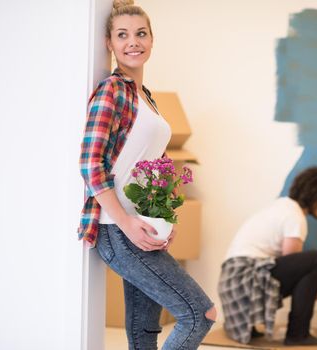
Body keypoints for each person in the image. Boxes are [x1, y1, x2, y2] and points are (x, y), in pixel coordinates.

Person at [77, 1, 216, 348]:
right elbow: (91, 162)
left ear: (152, 40)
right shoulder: (112, 91)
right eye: (122, 35)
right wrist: (126, 221)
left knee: (144, 332)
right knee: (200, 314)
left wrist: (165, 217)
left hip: (143, 224)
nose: (133, 42)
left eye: (141, 34)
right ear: (109, 43)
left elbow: (156, 166)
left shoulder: (146, 98)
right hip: (118, 229)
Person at [218, 166, 317, 346]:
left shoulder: (280, 207)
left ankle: (288, 331)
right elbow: (297, 268)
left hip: (231, 284)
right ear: (313, 193)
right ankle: (298, 334)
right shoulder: (295, 217)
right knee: (315, 260)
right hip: (243, 280)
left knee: (307, 263)